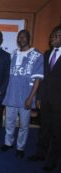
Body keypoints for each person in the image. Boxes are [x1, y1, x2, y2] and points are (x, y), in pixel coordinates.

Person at [1, 30, 43, 158]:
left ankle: (20, 147)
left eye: (24, 37)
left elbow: (38, 79)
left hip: (26, 97)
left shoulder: (37, 55)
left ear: (29, 39)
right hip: (11, 95)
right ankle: (8, 143)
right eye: (19, 37)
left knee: (24, 125)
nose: (21, 39)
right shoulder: (13, 54)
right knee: (9, 122)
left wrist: (31, 98)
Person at [27, 25, 61, 172]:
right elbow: (42, 79)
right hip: (46, 99)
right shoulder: (47, 54)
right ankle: (40, 153)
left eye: (57, 35)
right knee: (44, 128)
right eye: (52, 35)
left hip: (59, 102)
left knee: (57, 132)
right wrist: (39, 97)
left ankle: (52, 160)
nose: (52, 37)